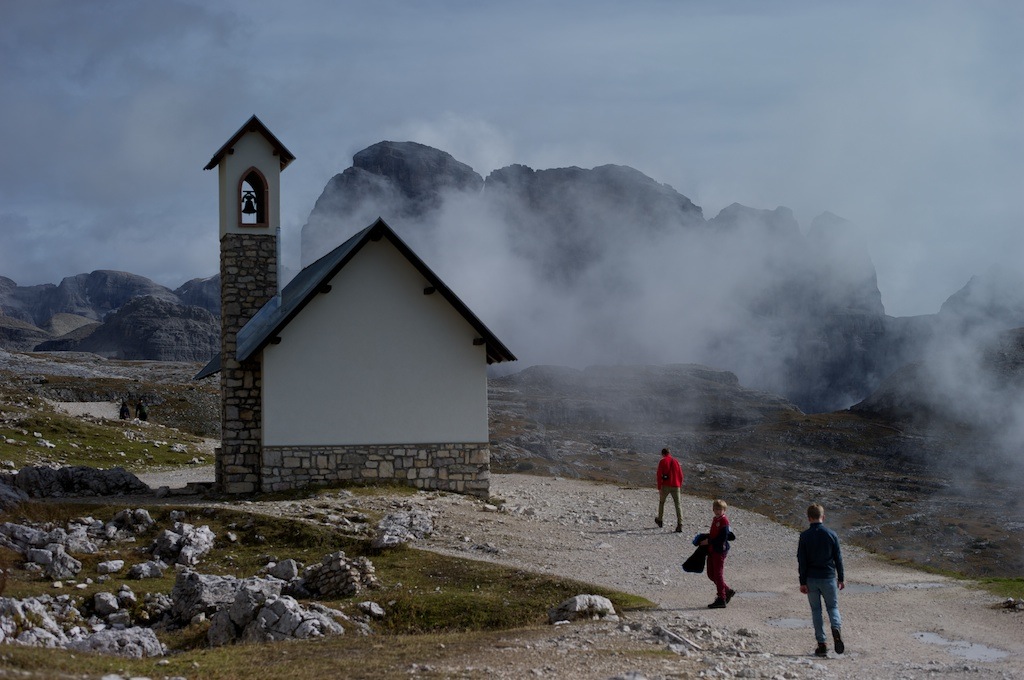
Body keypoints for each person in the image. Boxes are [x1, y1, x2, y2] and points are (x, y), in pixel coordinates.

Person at [797, 503, 845, 657]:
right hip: (829, 577)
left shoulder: (804, 536)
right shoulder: (831, 534)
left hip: (811, 578)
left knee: (816, 610)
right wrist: (841, 578)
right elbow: (838, 558)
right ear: (823, 517)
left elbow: (801, 560)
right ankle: (836, 628)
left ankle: (822, 644)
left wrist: (802, 582)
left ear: (808, 518)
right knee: (832, 607)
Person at [701, 499, 735, 608]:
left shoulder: (724, 521)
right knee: (711, 574)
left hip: (719, 550)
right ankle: (726, 591)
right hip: (713, 549)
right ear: (713, 510)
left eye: (720, 509)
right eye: (716, 509)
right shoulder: (716, 519)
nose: (718, 511)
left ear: (724, 510)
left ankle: (721, 598)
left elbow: (723, 537)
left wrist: (709, 541)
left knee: (718, 574)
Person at [654, 447, 684, 532]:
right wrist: (679, 484)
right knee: (678, 504)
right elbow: (681, 475)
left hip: (666, 485)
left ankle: (660, 519)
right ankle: (680, 523)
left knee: (662, 502)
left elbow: (659, 475)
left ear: (662, 454)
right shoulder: (676, 461)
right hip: (676, 485)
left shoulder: (662, 461)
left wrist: (659, 487)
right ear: (669, 453)